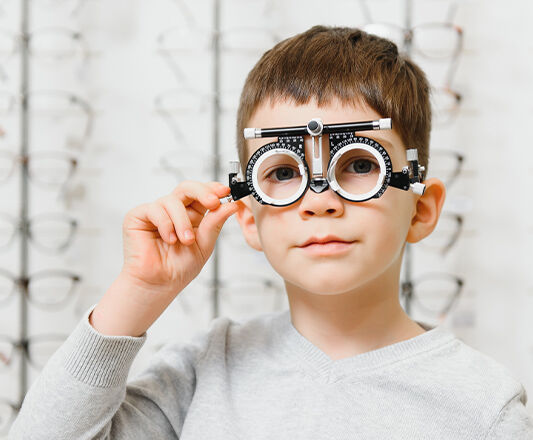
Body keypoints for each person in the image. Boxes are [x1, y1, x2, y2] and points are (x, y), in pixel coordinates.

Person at [8, 25, 533, 439]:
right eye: (283, 172)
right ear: (247, 219)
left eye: (357, 164)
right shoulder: (204, 371)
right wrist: (140, 292)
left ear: (421, 210)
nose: (321, 201)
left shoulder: (481, 405)